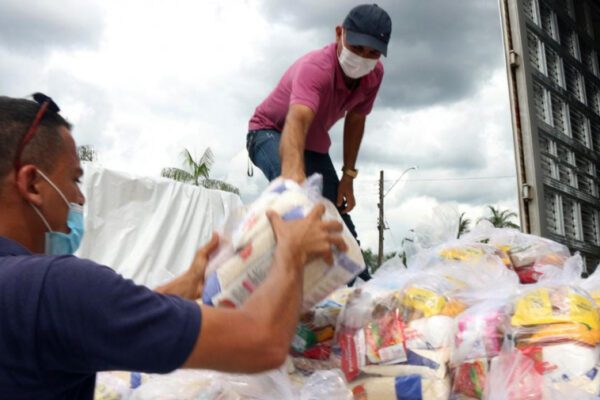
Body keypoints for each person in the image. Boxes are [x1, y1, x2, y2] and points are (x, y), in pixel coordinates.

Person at [0, 94, 347, 399]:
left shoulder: (35, 294)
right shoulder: (53, 287)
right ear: (32, 183)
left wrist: (186, 284)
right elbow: (262, 342)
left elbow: (105, 325)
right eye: (74, 179)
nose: (80, 196)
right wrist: (291, 253)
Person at [246, 4, 392, 281]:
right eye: (357, 47)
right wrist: (293, 180)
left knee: (339, 220)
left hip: (313, 146)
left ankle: (362, 288)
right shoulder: (316, 69)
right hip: (269, 132)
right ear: (339, 33)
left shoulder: (374, 76)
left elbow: (356, 120)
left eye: (372, 53)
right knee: (299, 201)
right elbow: (297, 120)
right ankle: (281, 282)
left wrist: (348, 175)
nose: (362, 58)